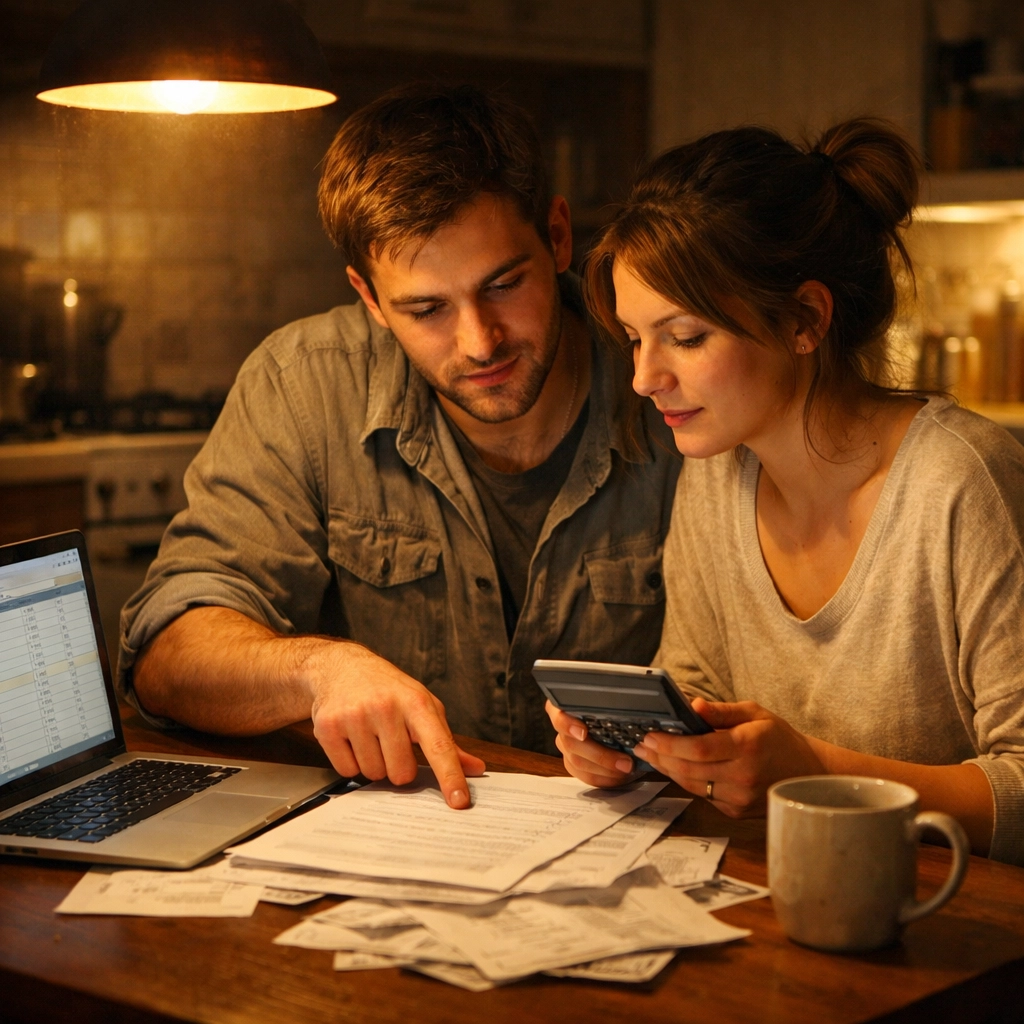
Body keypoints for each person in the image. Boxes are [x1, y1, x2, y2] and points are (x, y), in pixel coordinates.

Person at [119, 84, 680, 809]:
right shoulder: (304, 384)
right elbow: (168, 651)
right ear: (369, 296)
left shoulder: (672, 387)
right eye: (426, 309)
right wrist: (318, 671)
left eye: (504, 284)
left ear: (559, 237)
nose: (480, 342)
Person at [547, 118, 1024, 864]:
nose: (644, 379)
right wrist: (645, 752)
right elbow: (699, 690)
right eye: (638, 339)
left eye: (687, 337)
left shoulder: (961, 481)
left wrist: (815, 772)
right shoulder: (714, 473)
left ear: (804, 319)